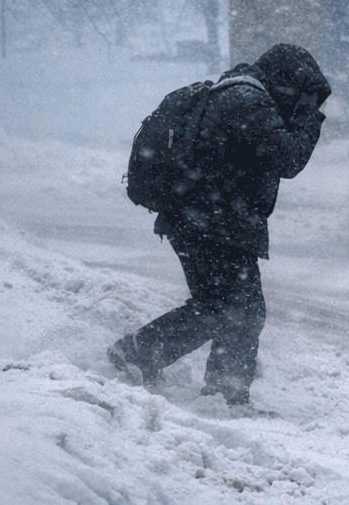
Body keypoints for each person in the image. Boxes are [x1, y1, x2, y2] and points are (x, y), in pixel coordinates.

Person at [108, 43, 330, 407]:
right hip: (213, 223)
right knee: (239, 311)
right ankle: (219, 392)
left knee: (221, 307)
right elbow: (288, 159)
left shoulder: (239, 93)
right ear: (287, 82)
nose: (303, 104)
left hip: (204, 220)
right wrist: (308, 117)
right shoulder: (248, 100)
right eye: (302, 95)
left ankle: (150, 357)